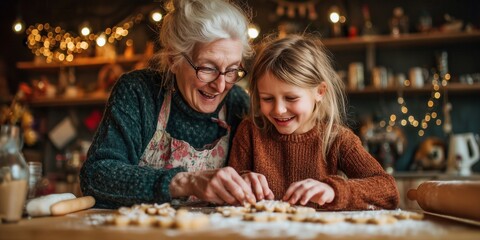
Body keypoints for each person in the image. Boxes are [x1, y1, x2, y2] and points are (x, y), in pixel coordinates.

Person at [80, 0, 256, 209]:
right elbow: (96, 175)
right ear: (174, 59)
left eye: (232, 70)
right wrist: (185, 182)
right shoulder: (139, 92)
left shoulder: (237, 104)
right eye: (208, 68)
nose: (220, 85)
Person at [229, 34, 400, 210]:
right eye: (267, 99)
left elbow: (389, 190)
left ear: (319, 91)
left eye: (291, 98)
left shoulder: (337, 139)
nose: (278, 110)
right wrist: (240, 183)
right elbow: (228, 195)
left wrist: (334, 190)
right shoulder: (250, 132)